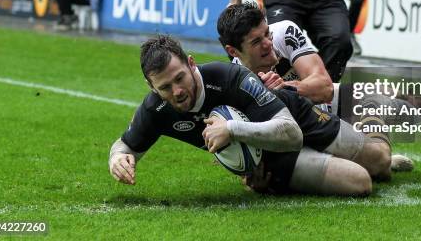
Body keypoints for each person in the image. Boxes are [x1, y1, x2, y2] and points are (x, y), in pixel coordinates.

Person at [217, 2, 421, 170]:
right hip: (303, 140)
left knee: (414, 103)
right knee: (372, 168)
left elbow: (323, 85)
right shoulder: (233, 83)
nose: (267, 44)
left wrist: (287, 91)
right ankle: (377, 156)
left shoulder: (285, 32)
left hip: (332, 107)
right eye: (256, 42)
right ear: (234, 52)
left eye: (265, 34)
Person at [109, 34, 393, 196]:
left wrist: (231, 130)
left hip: (292, 117)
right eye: (165, 87)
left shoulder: (229, 77)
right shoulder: (156, 108)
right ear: (151, 87)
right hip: (270, 156)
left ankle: (368, 106)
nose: (177, 91)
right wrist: (118, 159)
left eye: (180, 78)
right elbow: (125, 146)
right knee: (361, 183)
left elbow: (292, 134)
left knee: (380, 162)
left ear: (191, 63)